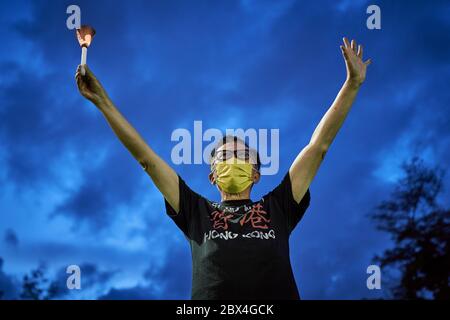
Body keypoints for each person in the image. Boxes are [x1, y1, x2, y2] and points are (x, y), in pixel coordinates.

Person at [75, 37, 371, 299]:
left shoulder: (279, 206)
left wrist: (352, 84)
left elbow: (318, 147)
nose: (231, 160)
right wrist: (103, 102)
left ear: (256, 173)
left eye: (240, 155)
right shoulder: (194, 210)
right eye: (222, 157)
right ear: (212, 175)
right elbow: (147, 160)